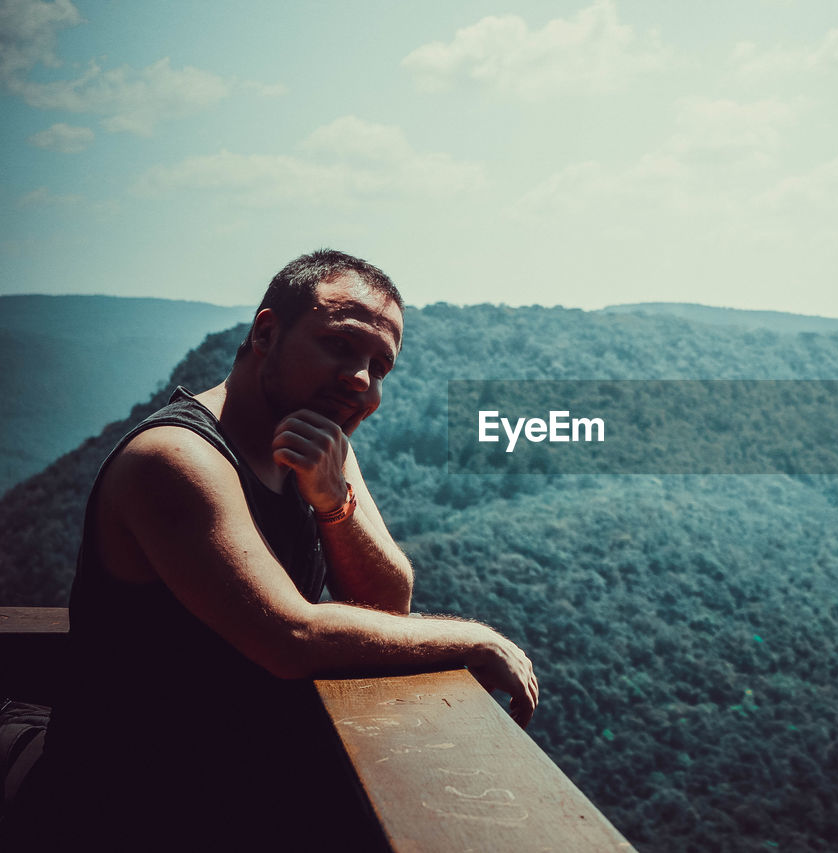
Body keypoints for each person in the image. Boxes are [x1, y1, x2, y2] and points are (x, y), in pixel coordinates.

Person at [2, 250, 538, 850]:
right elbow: (290, 639)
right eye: (341, 345)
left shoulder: (320, 442)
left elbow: (387, 600)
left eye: (380, 367)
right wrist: (474, 640)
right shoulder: (176, 460)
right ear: (266, 332)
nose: (361, 380)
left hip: (227, 794)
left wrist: (334, 502)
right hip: (120, 810)